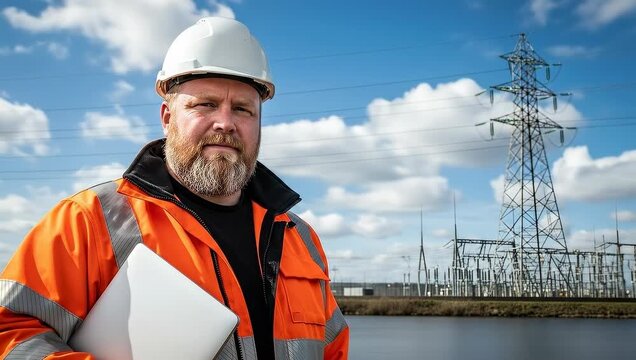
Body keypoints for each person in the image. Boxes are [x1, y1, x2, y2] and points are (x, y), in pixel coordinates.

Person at [0, 17, 349, 359]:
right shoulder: (89, 220)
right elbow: (11, 334)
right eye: (206, 104)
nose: (225, 123)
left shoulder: (299, 238)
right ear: (167, 118)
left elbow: (333, 349)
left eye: (242, 109)